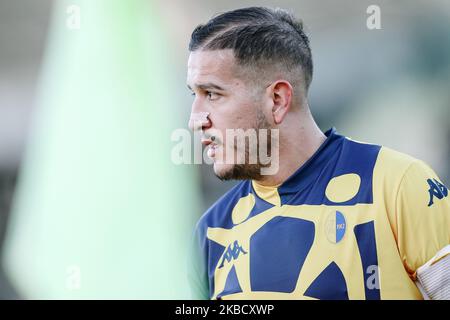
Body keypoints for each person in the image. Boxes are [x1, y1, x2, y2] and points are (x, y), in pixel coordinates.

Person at [186, 6, 450, 300]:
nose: (195, 120)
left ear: (277, 100)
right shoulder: (210, 234)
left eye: (212, 94)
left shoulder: (398, 184)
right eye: (193, 95)